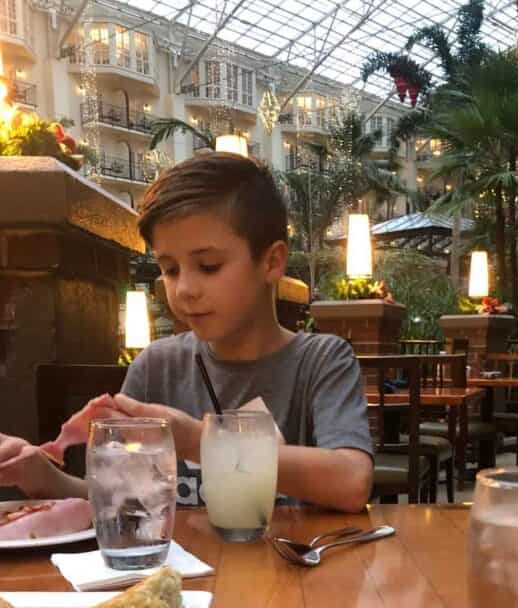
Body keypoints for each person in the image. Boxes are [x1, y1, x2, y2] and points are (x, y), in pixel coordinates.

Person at [0, 153, 374, 513]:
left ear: (272, 261)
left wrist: (201, 442)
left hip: (292, 573)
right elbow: (118, 496)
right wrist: (45, 478)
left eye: (208, 266)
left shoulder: (321, 360)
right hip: (179, 576)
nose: (184, 290)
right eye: (171, 269)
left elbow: (352, 481)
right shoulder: (157, 367)